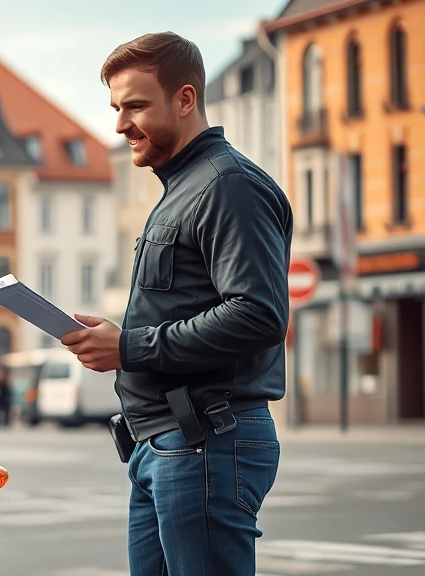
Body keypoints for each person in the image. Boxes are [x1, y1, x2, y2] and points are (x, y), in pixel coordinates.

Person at [59, 32, 293, 576]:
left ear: (185, 99)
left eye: (136, 106)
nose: (120, 125)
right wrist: (118, 337)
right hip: (166, 444)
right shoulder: (183, 187)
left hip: (204, 441)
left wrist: (128, 347)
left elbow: (258, 315)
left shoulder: (226, 185)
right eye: (116, 109)